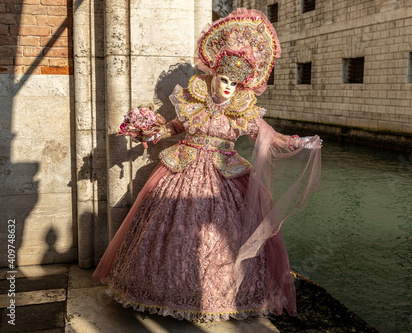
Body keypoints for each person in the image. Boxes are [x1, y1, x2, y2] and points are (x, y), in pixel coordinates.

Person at [92, 8, 322, 322]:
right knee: (171, 233)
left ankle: (219, 297)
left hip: (224, 176)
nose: (227, 87)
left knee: (221, 237)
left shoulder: (243, 111)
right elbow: (175, 127)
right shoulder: (193, 99)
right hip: (182, 168)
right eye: (224, 79)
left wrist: (300, 143)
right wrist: (151, 130)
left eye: (234, 83)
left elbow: (270, 138)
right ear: (214, 74)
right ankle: (164, 293)